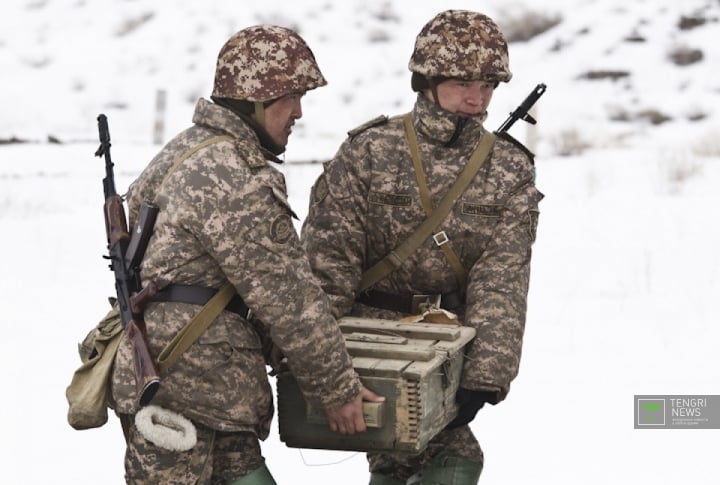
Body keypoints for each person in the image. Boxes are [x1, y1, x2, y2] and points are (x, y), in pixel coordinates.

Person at [111, 25, 382, 484]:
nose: (298, 112)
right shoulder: (237, 174)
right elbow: (290, 298)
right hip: (194, 393)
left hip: (182, 384)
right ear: (256, 99)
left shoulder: (181, 152)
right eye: (290, 97)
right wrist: (337, 389)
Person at [301, 10, 543, 485]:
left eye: (489, 86)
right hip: (368, 342)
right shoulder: (370, 151)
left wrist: (486, 373)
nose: (477, 100)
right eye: (462, 84)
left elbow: (502, 278)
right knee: (442, 457)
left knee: (414, 456)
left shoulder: (508, 170)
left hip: (446, 346)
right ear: (426, 81)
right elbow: (327, 262)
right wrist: (316, 363)